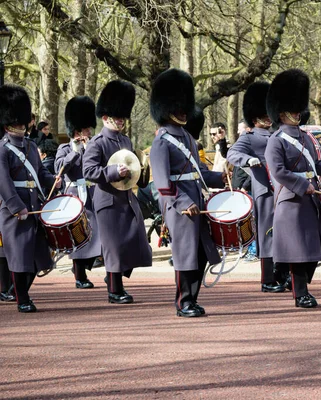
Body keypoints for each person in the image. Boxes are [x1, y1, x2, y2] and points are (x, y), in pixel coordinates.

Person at [149, 69, 227, 318]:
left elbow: (199, 172)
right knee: (185, 253)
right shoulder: (161, 141)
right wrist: (182, 201)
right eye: (179, 107)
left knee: (201, 251)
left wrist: (220, 178)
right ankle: (184, 302)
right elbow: (162, 181)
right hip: (179, 204)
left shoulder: (188, 139)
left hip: (196, 199)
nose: (184, 112)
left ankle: (192, 298)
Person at [265, 69, 321, 308]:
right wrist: (302, 185)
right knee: (299, 252)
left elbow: (315, 165)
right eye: (292, 108)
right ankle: (301, 294)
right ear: (281, 112)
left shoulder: (306, 137)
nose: (297, 112)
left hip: (310, 199)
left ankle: (290, 278)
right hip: (292, 200)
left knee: (311, 252)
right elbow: (278, 171)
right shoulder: (276, 141)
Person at [82, 80, 152, 304]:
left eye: (122, 116)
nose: (121, 120)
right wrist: (113, 171)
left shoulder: (125, 140)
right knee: (114, 247)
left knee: (136, 241)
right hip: (107, 201)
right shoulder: (97, 143)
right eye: (117, 116)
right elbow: (89, 171)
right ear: (105, 117)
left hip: (127, 199)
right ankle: (114, 289)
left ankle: (113, 277)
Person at [0, 84, 62, 312]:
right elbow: (3, 182)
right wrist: (16, 207)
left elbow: (40, 173)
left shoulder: (30, 145)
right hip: (14, 211)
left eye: (22, 121)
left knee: (39, 255)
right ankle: (22, 298)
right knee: (18, 256)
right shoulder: (3, 150)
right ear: (7, 124)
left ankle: (19, 291)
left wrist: (54, 179)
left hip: (34, 206)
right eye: (16, 122)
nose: (21, 125)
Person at [228, 81, 286, 292]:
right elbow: (232, 154)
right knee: (267, 235)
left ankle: (283, 274)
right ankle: (267, 279)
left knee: (285, 234)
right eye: (264, 114)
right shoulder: (250, 138)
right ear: (255, 117)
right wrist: (248, 161)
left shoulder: (279, 134)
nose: (268, 117)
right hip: (265, 190)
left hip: (283, 191)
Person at [55, 96, 102, 289]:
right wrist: (75, 152)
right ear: (76, 130)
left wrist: (89, 148)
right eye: (86, 129)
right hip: (74, 193)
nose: (89, 132)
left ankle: (98, 267)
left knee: (98, 233)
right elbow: (59, 167)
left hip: (92, 192)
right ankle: (79, 275)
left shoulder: (93, 146)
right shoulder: (64, 148)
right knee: (78, 235)